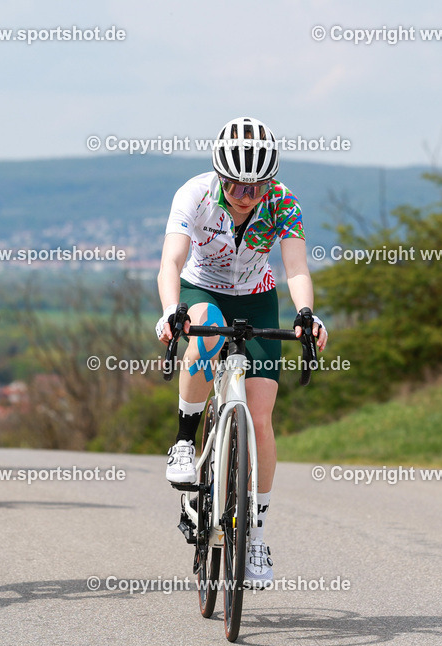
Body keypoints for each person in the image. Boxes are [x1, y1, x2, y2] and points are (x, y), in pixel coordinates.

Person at [155, 117, 328, 588]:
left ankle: (255, 534)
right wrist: (171, 310)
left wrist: (306, 313)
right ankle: (184, 441)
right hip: (201, 289)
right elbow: (171, 260)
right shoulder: (194, 194)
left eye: (256, 187)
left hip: (257, 297)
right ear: (219, 175)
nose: (245, 196)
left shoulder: (284, 202)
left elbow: (296, 267)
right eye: (235, 185)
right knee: (208, 329)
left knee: (262, 417)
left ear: (270, 182)